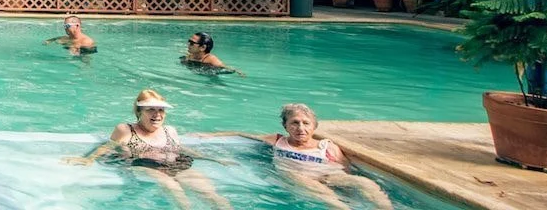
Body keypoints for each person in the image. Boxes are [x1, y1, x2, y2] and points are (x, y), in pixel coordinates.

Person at [65, 89, 232, 210]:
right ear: (139, 111)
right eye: (151, 109)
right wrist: (89, 159)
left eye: (161, 110)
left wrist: (213, 159)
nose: (157, 114)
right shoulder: (126, 129)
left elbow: (180, 149)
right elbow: (108, 146)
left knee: (210, 193)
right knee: (172, 187)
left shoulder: (170, 130)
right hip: (144, 165)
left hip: (175, 165)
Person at [237, 104, 392, 210]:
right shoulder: (277, 140)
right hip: (297, 176)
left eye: (306, 123)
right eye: (295, 123)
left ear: (314, 126)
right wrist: (213, 136)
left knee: (365, 183)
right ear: (285, 126)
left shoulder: (327, 146)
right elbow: (240, 135)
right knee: (324, 194)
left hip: (327, 176)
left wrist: (346, 190)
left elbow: (345, 169)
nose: (301, 128)